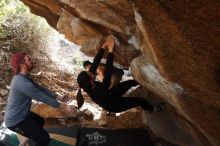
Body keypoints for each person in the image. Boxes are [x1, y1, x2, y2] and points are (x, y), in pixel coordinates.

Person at [4, 52, 77, 146]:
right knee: (44, 139)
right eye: (28, 59)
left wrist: (58, 97)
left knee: (39, 121)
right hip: (15, 121)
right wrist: (63, 106)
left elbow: (40, 89)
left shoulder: (22, 77)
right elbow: (43, 98)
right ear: (22, 65)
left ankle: (22, 144)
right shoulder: (22, 83)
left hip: (21, 114)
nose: (31, 60)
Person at [77, 36, 165, 113]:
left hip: (110, 94)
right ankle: (152, 108)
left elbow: (95, 62)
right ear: (91, 81)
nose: (91, 71)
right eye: (89, 73)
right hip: (114, 105)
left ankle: (147, 83)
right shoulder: (98, 93)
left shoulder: (88, 81)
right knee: (139, 101)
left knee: (130, 82)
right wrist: (111, 51)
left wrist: (104, 46)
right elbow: (107, 73)